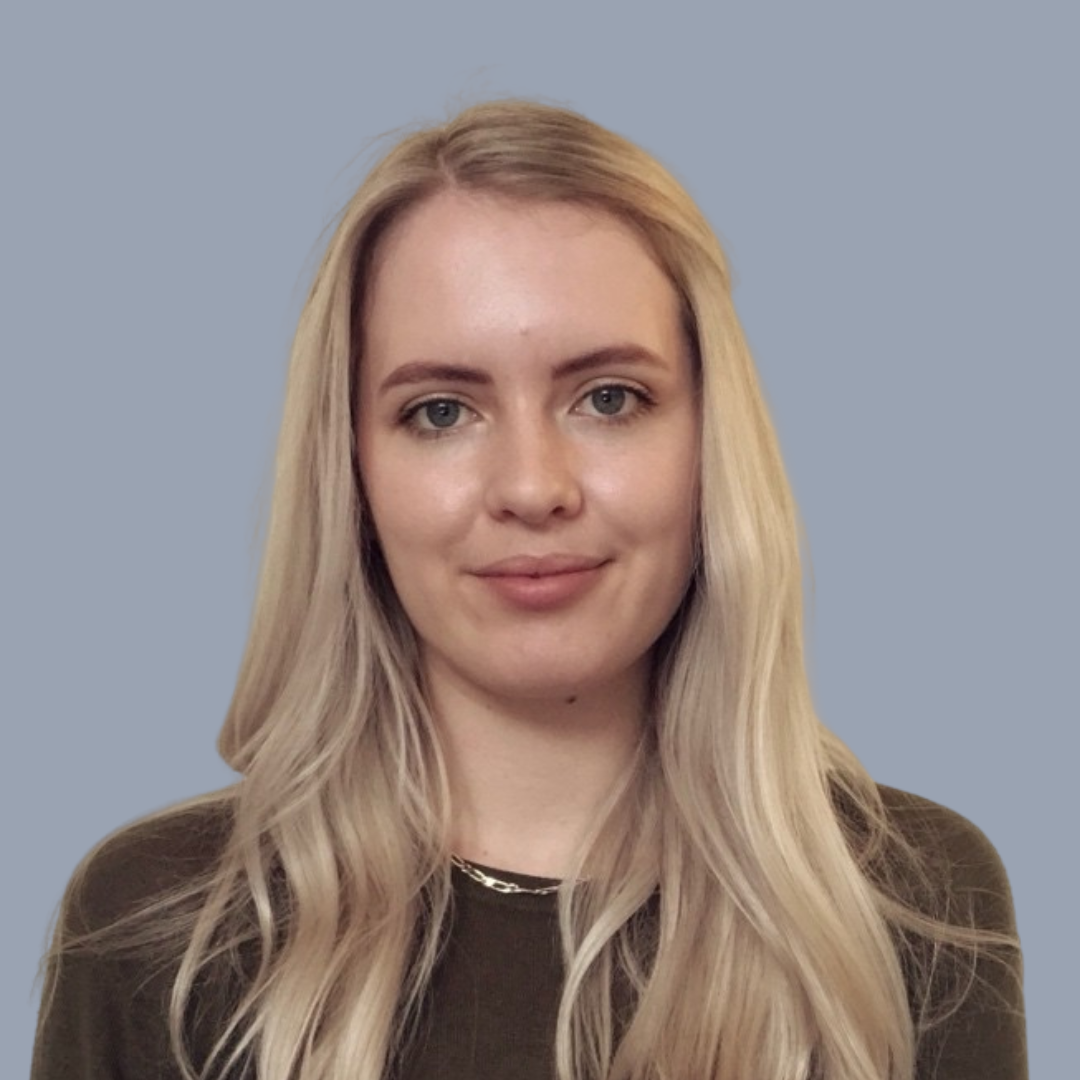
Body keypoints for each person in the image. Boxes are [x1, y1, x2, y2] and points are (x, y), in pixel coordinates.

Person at [32, 99, 1026, 1080]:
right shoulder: (159, 933)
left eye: (608, 398)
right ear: (353, 473)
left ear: (708, 444)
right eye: (439, 411)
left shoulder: (909, 906)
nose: (531, 487)